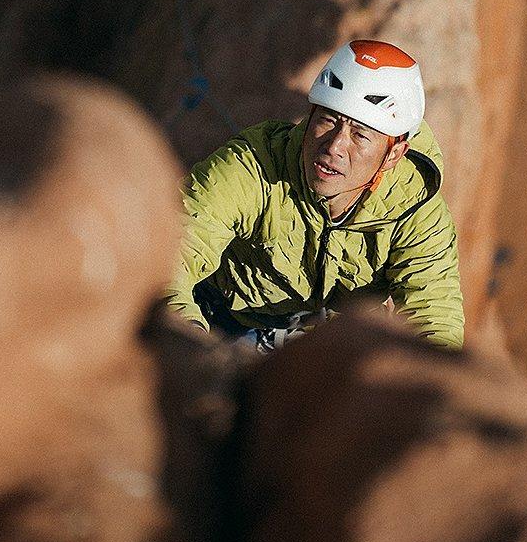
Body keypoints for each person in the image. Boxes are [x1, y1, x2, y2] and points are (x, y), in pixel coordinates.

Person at [164, 40, 464, 351]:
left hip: (327, 343)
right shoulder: (253, 167)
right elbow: (169, 259)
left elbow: (435, 317)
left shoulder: (416, 211)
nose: (334, 146)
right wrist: (191, 351)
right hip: (222, 322)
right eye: (328, 120)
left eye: (360, 135)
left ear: (394, 154)